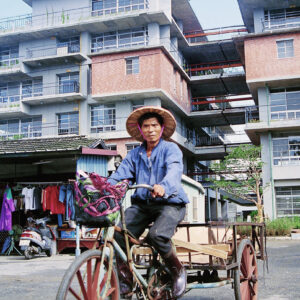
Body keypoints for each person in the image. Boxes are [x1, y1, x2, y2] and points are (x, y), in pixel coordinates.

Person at [108, 106, 189, 299]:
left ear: (161, 128)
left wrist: (163, 186)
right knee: (119, 236)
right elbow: (119, 176)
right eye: (146, 126)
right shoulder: (135, 155)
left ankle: (178, 271)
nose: (150, 129)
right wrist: (103, 186)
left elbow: (174, 172)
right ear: (141, 129)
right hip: (143, 205)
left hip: (171, 203)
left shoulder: (171, 149)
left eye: (154, 125)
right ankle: (125, 283)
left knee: (157, 235)